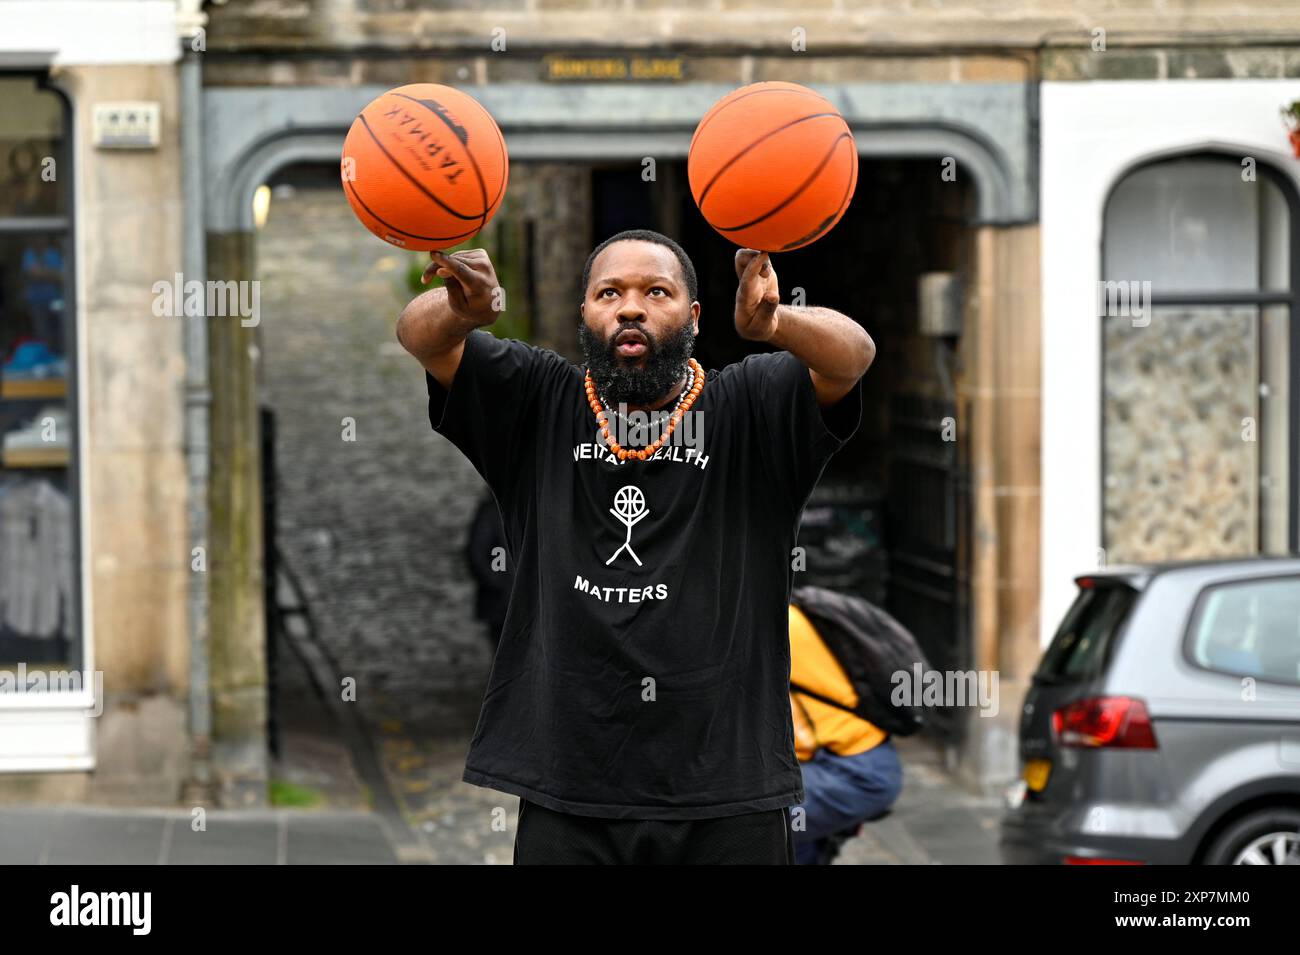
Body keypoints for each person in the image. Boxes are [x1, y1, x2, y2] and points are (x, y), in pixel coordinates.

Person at [396, 228, 874, 864]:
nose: (630, 306)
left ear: (694, 318)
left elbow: (853, 356)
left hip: (729, 793)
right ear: (585, 314)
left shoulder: (750, 405)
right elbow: (419, 337)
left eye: (656, 291)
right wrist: (462, 310)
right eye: (608, 292)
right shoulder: (538, 400)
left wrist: (776, 321)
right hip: (571, 794)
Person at [787, 602, 903, 865]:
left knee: (746, 818)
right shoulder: (784, 612)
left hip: (852, 771)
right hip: (849, 760)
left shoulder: (764, 627)